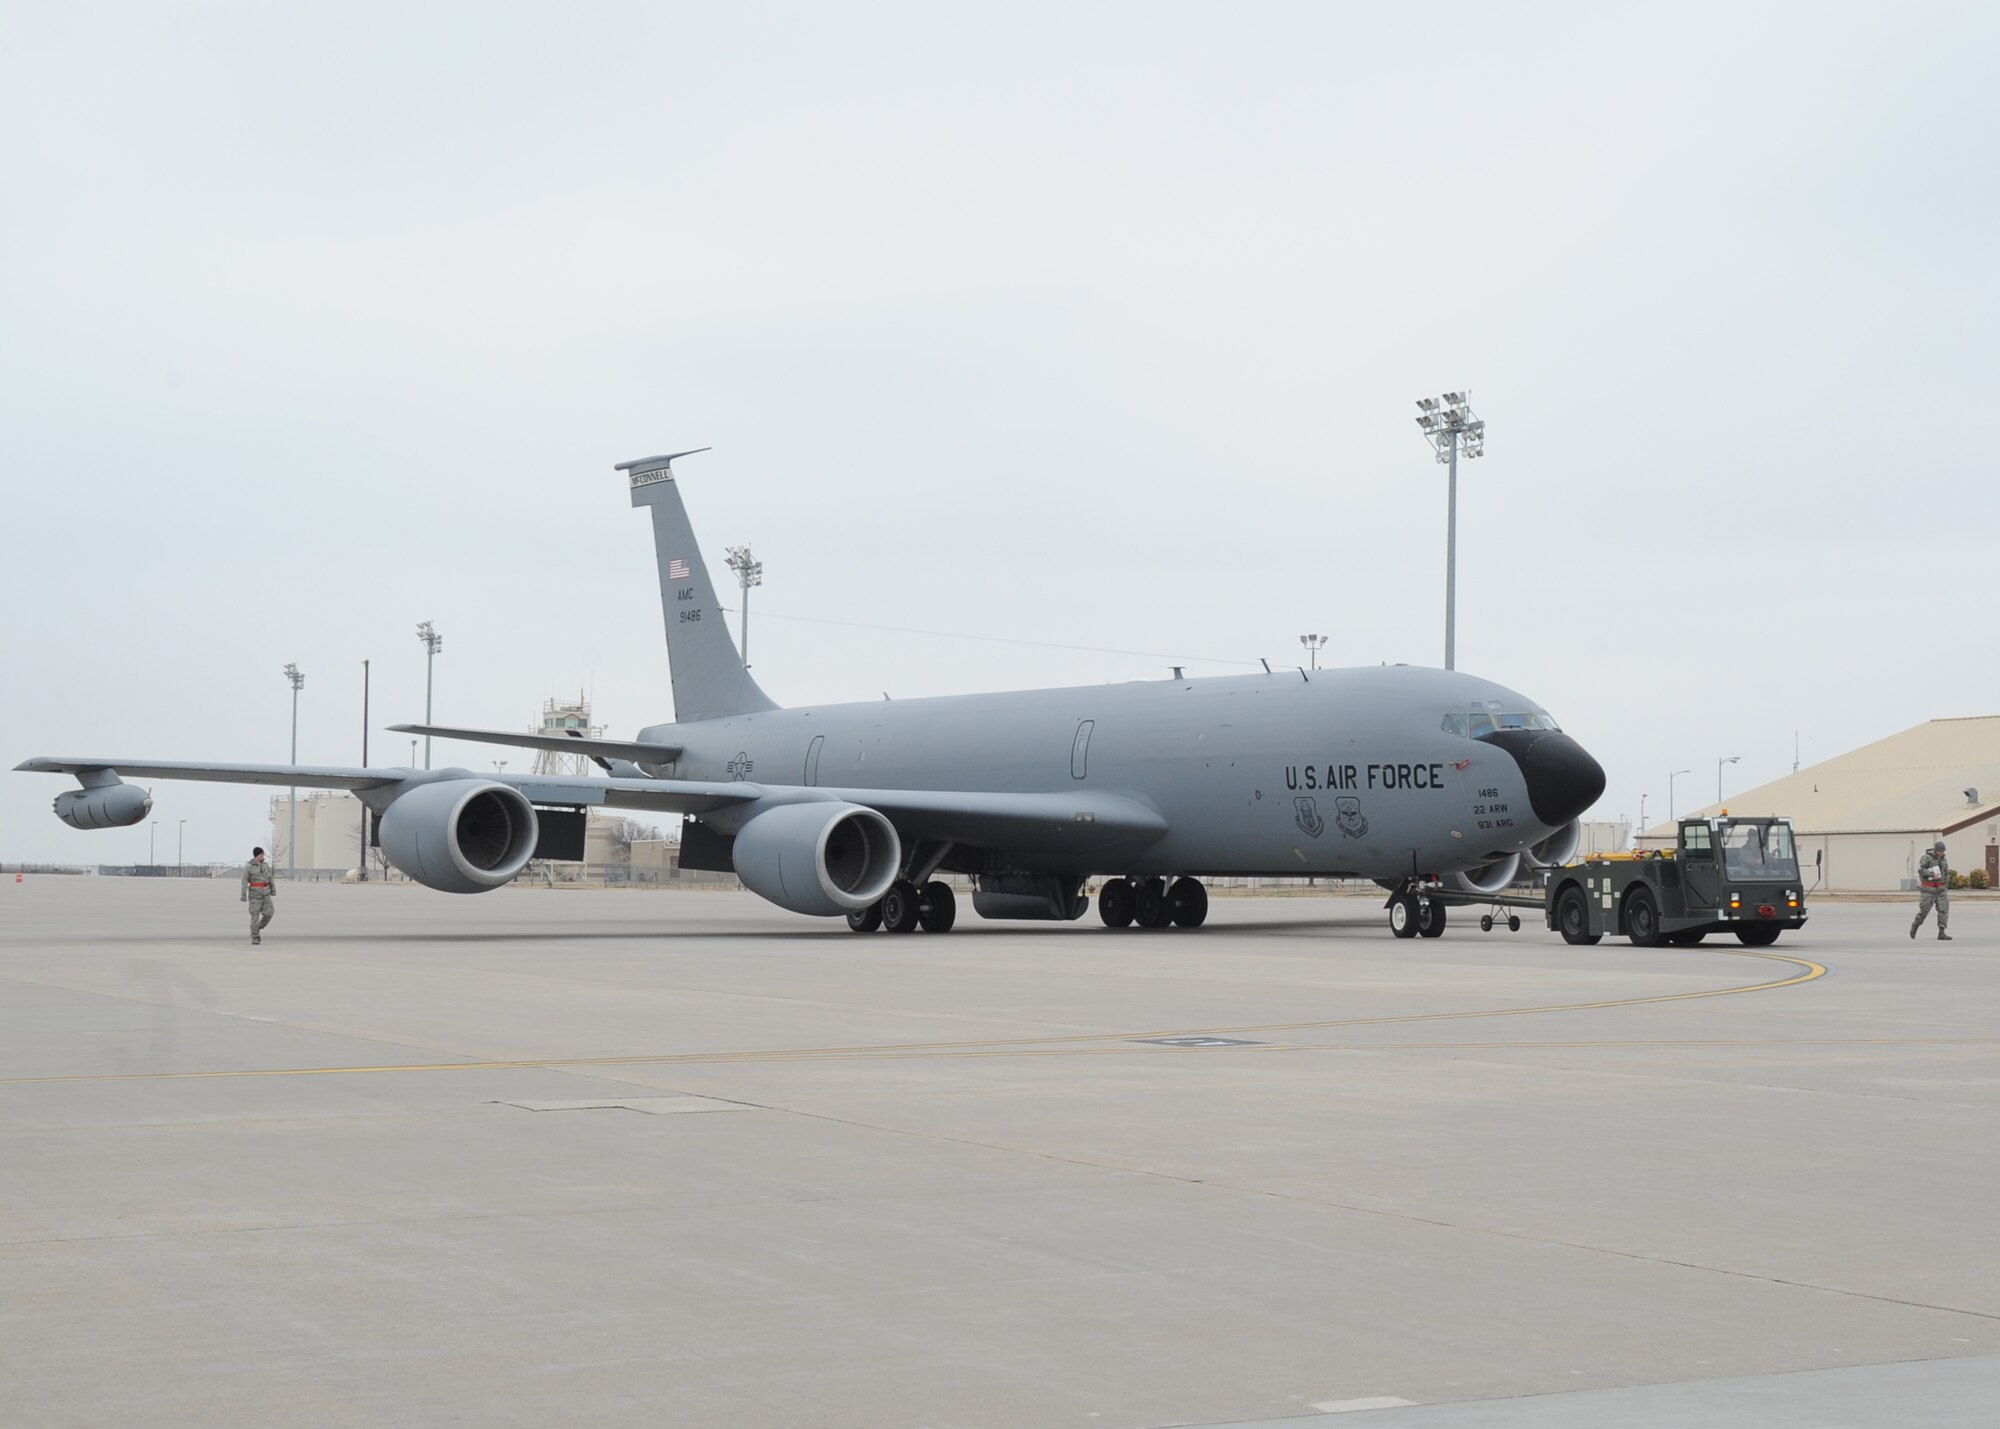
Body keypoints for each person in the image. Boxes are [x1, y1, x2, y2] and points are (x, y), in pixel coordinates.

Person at [1912, 839, 1951, 941]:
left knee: (1944, 910)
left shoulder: (1944, 859)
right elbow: (1921, 870)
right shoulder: (1926, 858)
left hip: (1941, 889)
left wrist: (1946, 882)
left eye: (1943, 851)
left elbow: (1946, 872)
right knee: (1924, 910)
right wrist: (1930, 874)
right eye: (1940, 851)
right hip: (1928, 889)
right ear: (1935, 850)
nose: (1941, 853)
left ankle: (1942, 932)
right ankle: (1916, 925)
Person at [241, 846, 277, 945]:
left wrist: (273, 890)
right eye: (261, 855)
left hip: (266, 892)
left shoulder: (265, 866)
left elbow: (270, 878)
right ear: (257, 855)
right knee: (255, 916)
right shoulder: (249, 866)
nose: (263, 856)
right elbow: (244, 881)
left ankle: (257, 928)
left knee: (269, 913)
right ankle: (255, 937)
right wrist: (243, 894)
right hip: (254, 894)